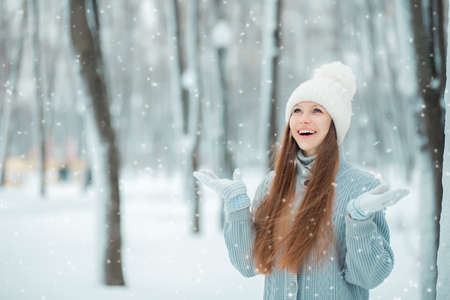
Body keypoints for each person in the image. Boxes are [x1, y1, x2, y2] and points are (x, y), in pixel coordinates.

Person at [193, 61, 409, 300]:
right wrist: (236, 205)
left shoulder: (361, 187)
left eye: (317, 111)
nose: (304, 119)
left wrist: (359, 220)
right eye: (297, 110)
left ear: (334, 123)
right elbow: (250, 264)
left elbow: (369, 277)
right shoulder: (271, 185)